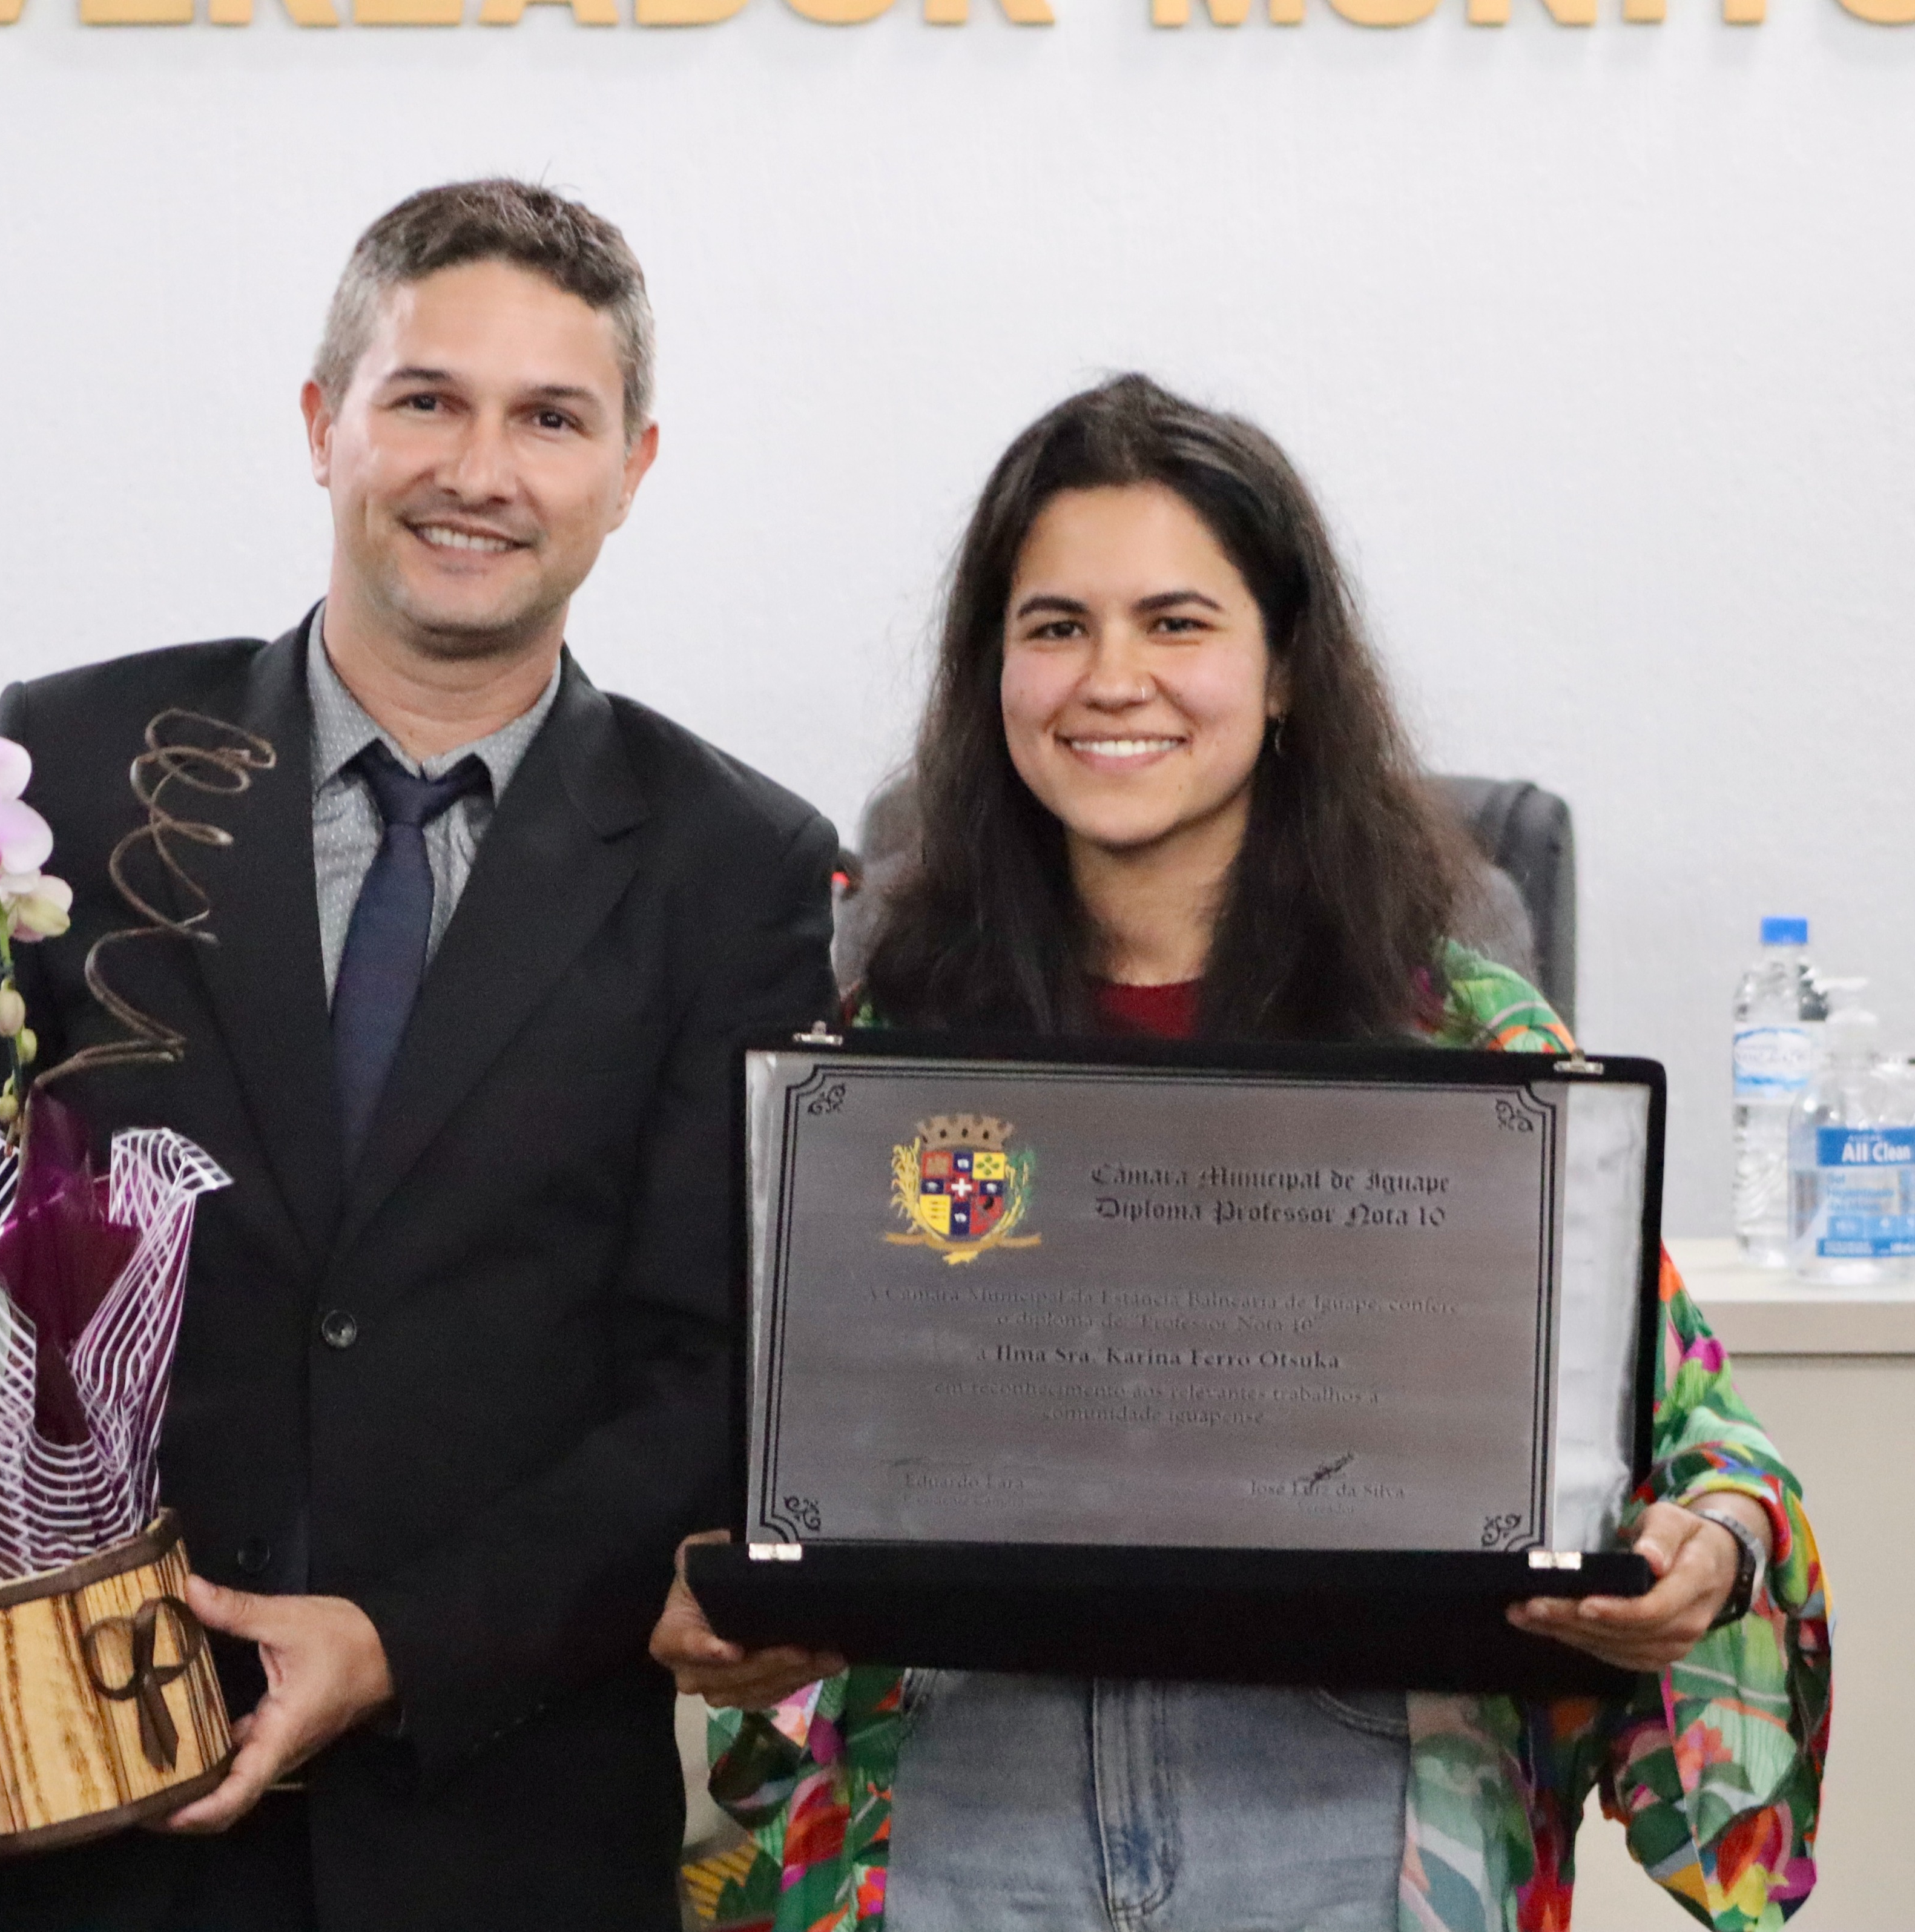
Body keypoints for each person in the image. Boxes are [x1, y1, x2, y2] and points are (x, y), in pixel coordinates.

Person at [0, 179, 839, 1932]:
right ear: (323, 425)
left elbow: (707, 1378)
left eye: (551, 419)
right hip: (44, 1819)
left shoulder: (737, 866)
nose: (482, 470)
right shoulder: (69, 768)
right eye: (426, 399)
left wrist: (399, 1645)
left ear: (633, 467)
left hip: (490, 1839)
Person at [651, 375, 1830, 1932]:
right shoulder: (873, 1057)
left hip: (1355, 1806)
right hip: (952, 1793)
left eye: (1177, 623)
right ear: (993, 672)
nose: (1110, 679)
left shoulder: (1464, 1040)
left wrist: (1713, 1549)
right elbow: (760, 1447)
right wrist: (724, 1580)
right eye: (1055, 625)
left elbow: (1703, 1442)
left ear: (1282, 675)